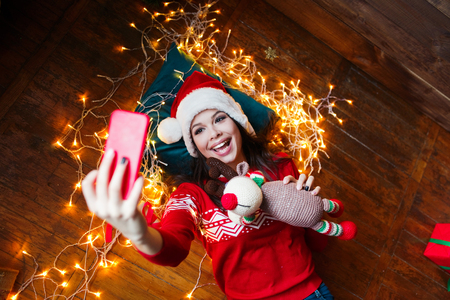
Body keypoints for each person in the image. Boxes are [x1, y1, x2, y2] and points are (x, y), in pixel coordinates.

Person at [82, 71, 334, 299]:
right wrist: (140, 234)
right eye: (199, 130)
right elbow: (174, 246)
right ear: (194, 145)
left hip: (310, 294)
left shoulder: (280, 167)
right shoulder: (192, 195)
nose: (213, 133)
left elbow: (317, 243)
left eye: (219, 118)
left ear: (236, 122)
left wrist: (310, 206)